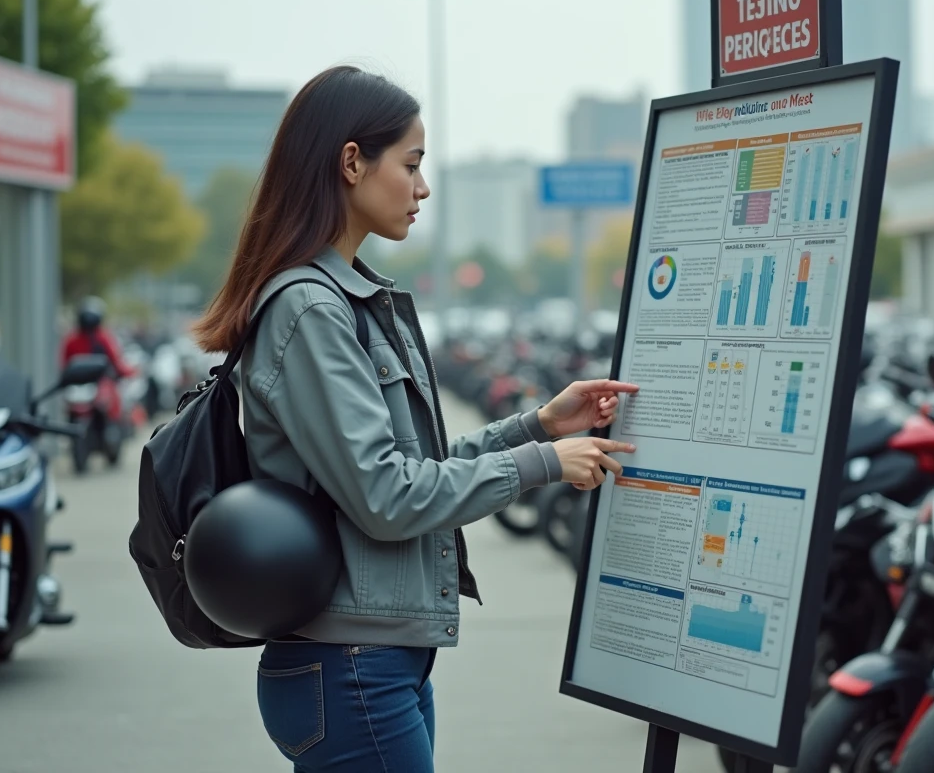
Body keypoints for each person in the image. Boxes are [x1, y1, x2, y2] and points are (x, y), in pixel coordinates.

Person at [191, 65, 639, 772]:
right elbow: (388, 496)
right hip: (351, 667)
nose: (423, 188)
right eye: (411, 164)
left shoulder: (346, 301)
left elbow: (410, 468)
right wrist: (543, 466)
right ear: (351, 163)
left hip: (373, 663)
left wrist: (539, 427)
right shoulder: (311, 310)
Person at [60, 296, 136, 422]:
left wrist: (128, 372)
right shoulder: (101, 338)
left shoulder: (74, 339)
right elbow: (117, 363)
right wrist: (129, 372)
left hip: (93, 389)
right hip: (83, 389)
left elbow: (64, 365)